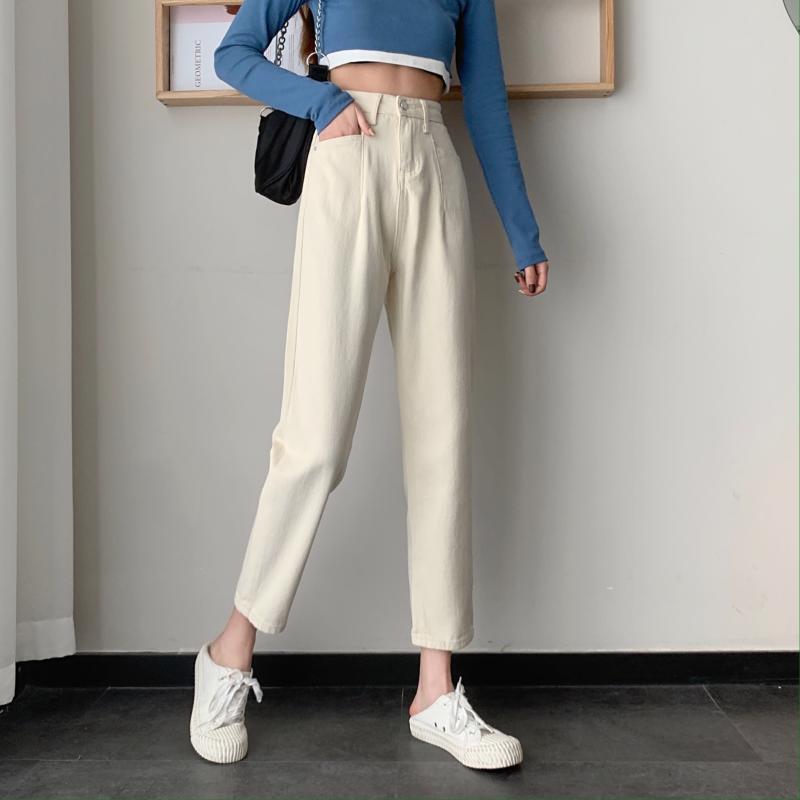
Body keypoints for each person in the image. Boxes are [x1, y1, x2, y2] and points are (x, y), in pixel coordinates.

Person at [189, 0, 550, 770]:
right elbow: (234, 52)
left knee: (442, 437)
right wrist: (321, 102)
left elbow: (486, 101)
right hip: (348, 156)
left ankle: (436, 690)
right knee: (315, 438)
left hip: (434, 160)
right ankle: (227, 652)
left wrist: (522, 230)